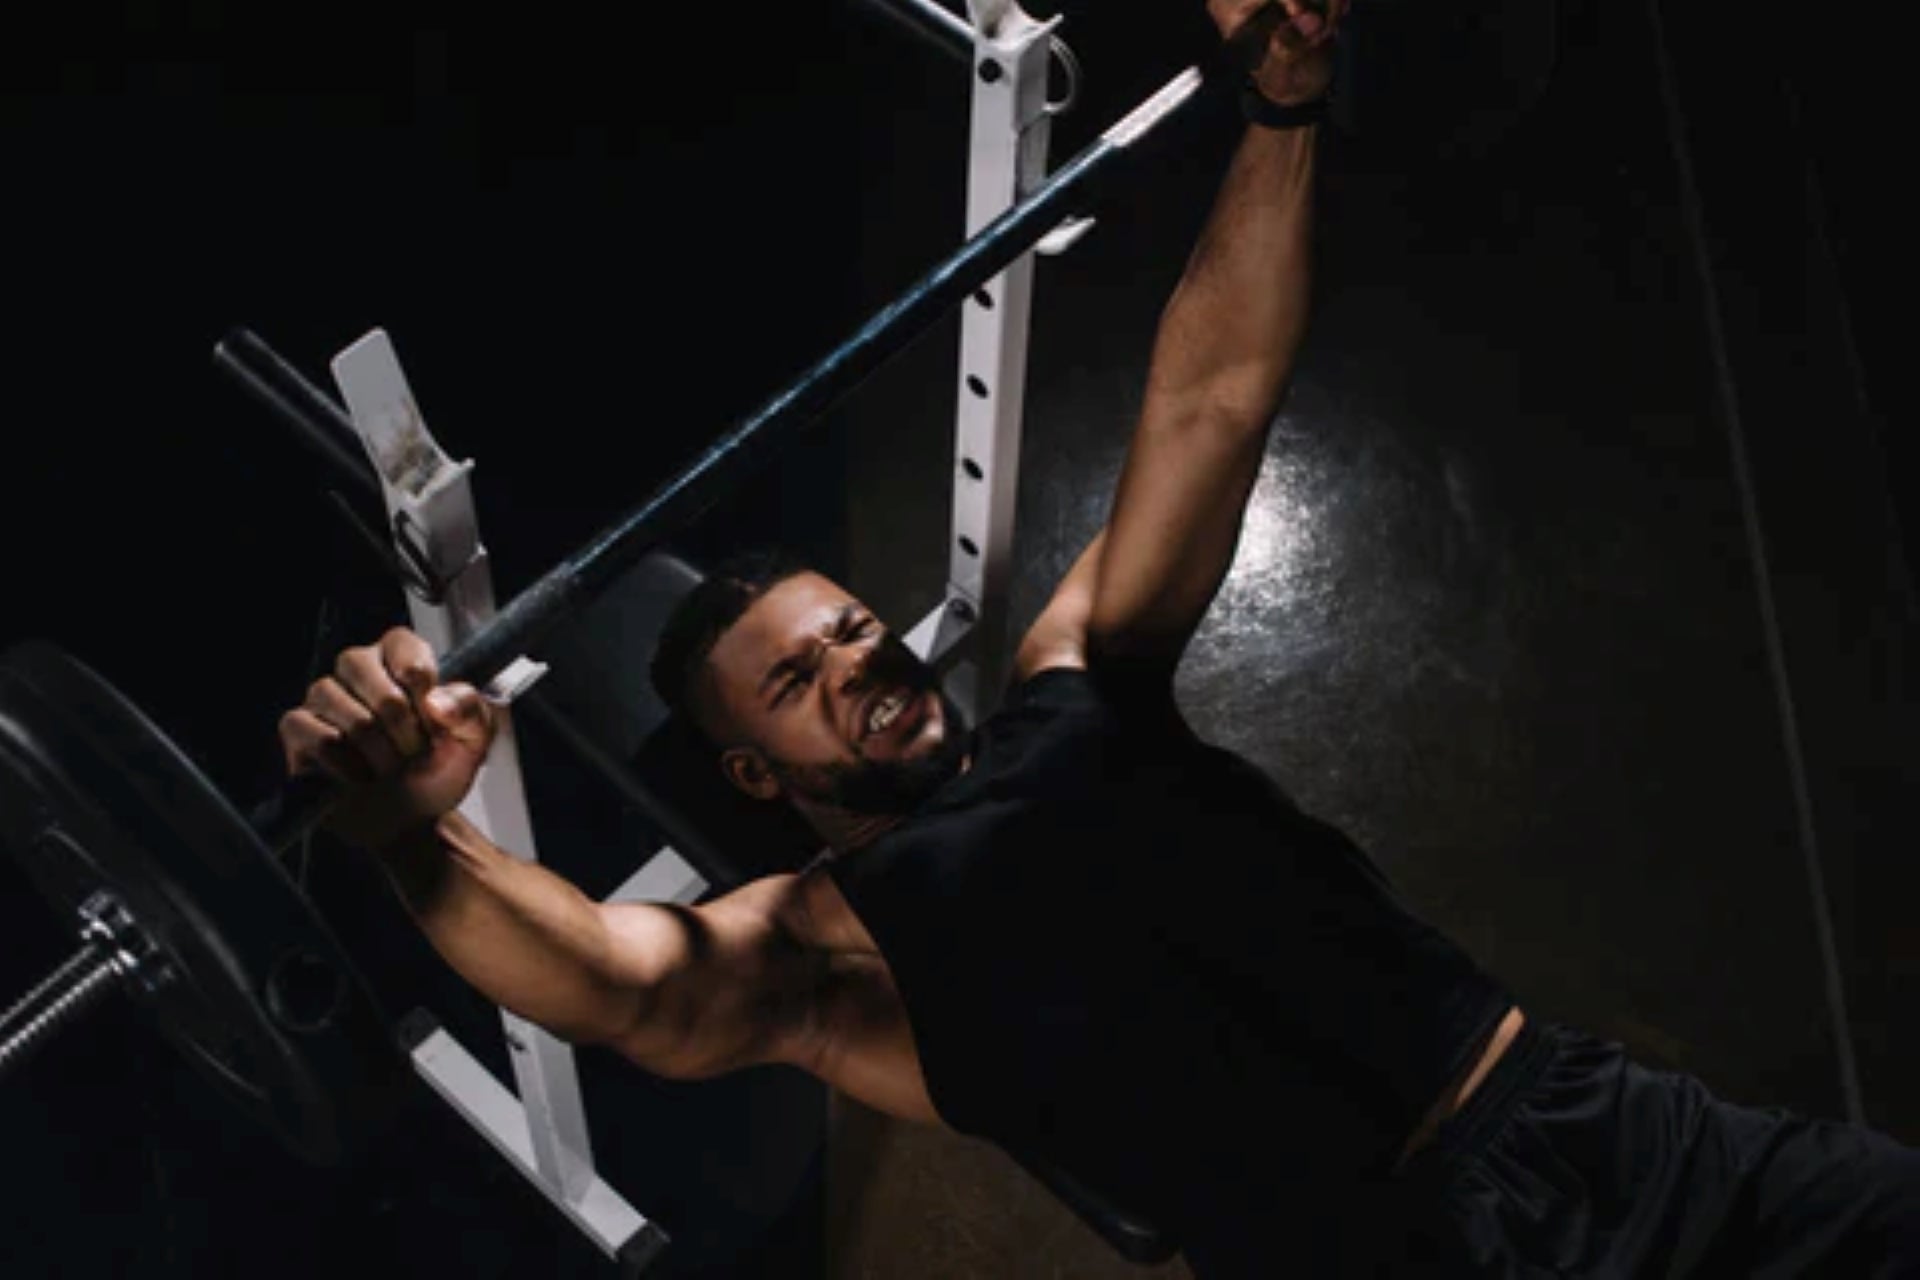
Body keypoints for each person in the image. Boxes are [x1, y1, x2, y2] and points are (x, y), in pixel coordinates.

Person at [279, 2, 1920, 1274]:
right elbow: (625, 989)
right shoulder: (830, 955)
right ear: (749, 771)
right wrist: (410, 844)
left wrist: (1281, 106)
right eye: (800, 679)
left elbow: (1209, 395)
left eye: (850, 629)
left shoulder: (1081, 686)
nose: (860, 661)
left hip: (1592, 1122)